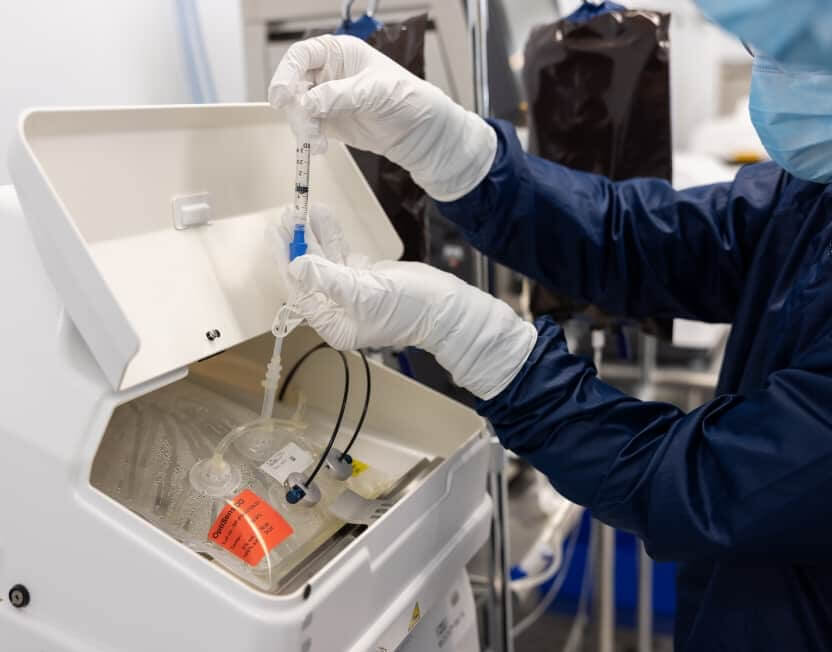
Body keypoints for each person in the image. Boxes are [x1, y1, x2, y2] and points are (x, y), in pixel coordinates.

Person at [268, 6, 832, 650]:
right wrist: (464, 158)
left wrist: (495, 354)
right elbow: (640, 238)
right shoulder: (815, 193)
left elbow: (712, 484)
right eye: (764, 49)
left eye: (798, 53)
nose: (774, 73)